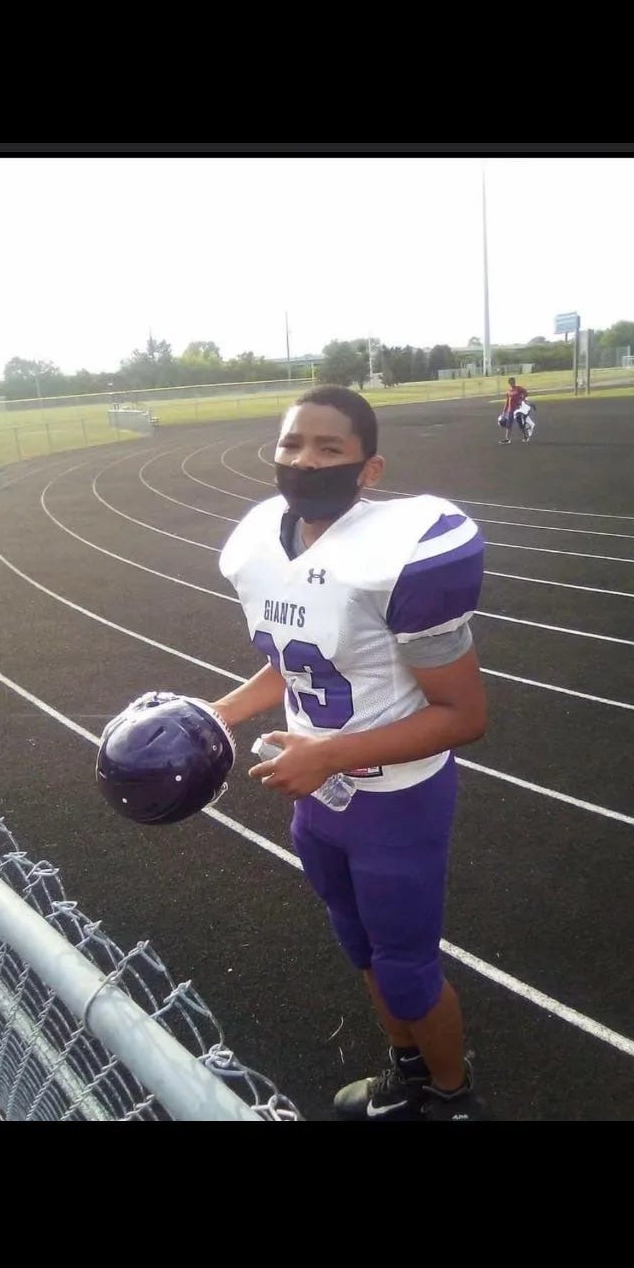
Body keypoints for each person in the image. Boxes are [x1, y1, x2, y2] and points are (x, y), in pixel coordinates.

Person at [212, 385, 487, 1121]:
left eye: (329, 448)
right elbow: (297, 661)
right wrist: (226, 709)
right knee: (360, 949)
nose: (305, 460)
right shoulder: (262, 544)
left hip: (396, 800)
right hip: (320, 800)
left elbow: (464, 714)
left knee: (407, 970)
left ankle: (453, 1097)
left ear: (369, 469)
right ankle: (408, 1074)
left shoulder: (401, 552)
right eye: (293, 444)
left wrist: (329, 757)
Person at [499, 376, 529, 443]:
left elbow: (526, 393)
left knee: (520, 423)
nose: (512, 383)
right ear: (509, 383)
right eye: (511, 382)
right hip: (510, 410)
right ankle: (507, 439)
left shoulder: (518, 388)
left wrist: (522, 399)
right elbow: (507, 401)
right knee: (508, 424)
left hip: (518, 410)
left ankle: (525, 436)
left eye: (513, 382)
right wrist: (504, 411)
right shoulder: (509, 391)